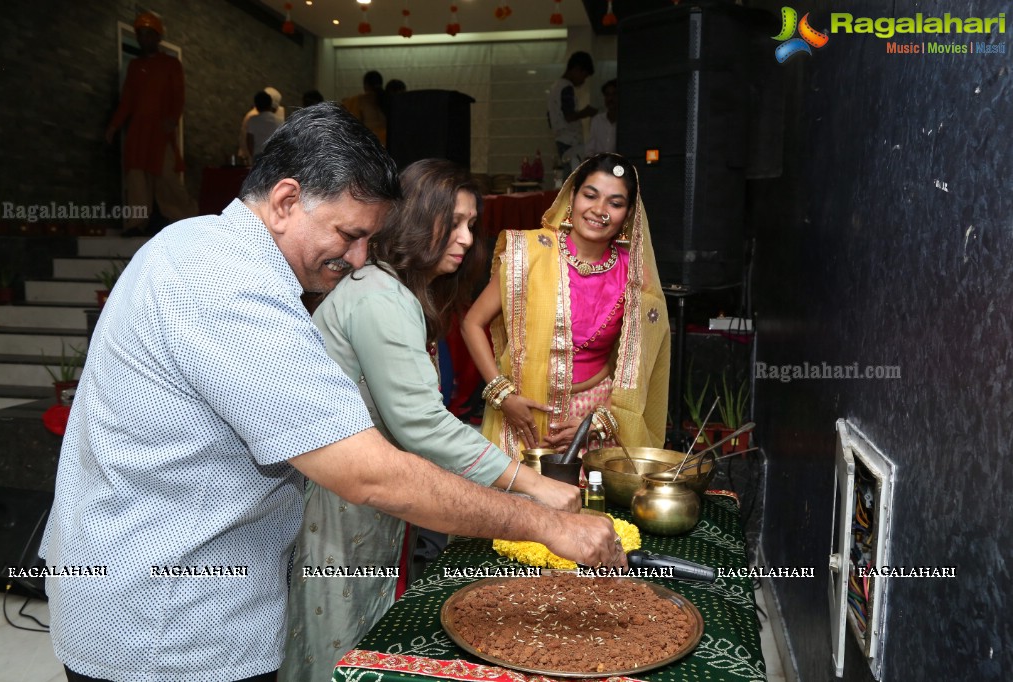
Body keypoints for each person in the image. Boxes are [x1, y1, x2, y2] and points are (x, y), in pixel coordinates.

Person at [40, 103, 624, 682]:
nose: (358, 257)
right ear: (287, 201)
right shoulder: (226, 285)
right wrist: (546, 524)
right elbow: (369, 472)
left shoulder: (197, 242)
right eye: (349, 234)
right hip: (167, 624)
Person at [281, 159, 581, 681]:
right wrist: (531, 485)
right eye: (455, 222)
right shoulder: (378, 297)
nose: (466, 238)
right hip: (336, 510)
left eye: (472, 225)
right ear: (418, 219)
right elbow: (421, 424)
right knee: (338, 651)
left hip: (363, 502)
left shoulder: (396, 293)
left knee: (364, 633)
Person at [462, 153, 670, 458]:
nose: (599, 210)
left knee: (588, 503)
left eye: (615, 203)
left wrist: (597, 422)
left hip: (594, 415)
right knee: (515, 502)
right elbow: (472, 323)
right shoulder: (529, 254)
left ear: (627, 215)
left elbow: (640, 369)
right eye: (590, 195)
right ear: (572, 197)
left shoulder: (636, 276)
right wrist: (502, 395)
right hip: (522, 411)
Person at [105, 11, 197, 236]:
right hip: (137, 133)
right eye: (140, 34)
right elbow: (127, 100)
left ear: (157, 37)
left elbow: (178, 95)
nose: (143, 39)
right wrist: (113, 126)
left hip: (159, 132)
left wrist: (172, 119)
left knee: (166, 177)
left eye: (148, 34)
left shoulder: (171, 64)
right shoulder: (134, 66)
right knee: (136, 178)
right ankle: (136, 223)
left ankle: (187, 221)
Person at [546, 51, 598, 179]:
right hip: (570, 141)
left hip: (560, 139)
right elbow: (569, 116)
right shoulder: (566, 87)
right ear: (576, 69)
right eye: (584, 76)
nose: (583, 81)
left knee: (569, 174)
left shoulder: (555, 87)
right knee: (574, 177)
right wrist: (586, 112)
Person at [238, 86, 285, 162]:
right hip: (274, 157)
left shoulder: (252, 119)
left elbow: (249, 141)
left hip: (258, 156)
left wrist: (252, 156)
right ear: (271, 104)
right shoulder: (279, 120)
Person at [343, 70, 388, 145]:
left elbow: (352, 125)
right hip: (387, 144)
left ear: (366, 85)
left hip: (370, 144)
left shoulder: (358, 100)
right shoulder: (388, 99)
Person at [586, 79, 618, 157]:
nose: (610, 98)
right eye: (607, 95)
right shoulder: (597, 120)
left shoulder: (626, 121)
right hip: (598, 165)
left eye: (614, 94)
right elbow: (590, 149)